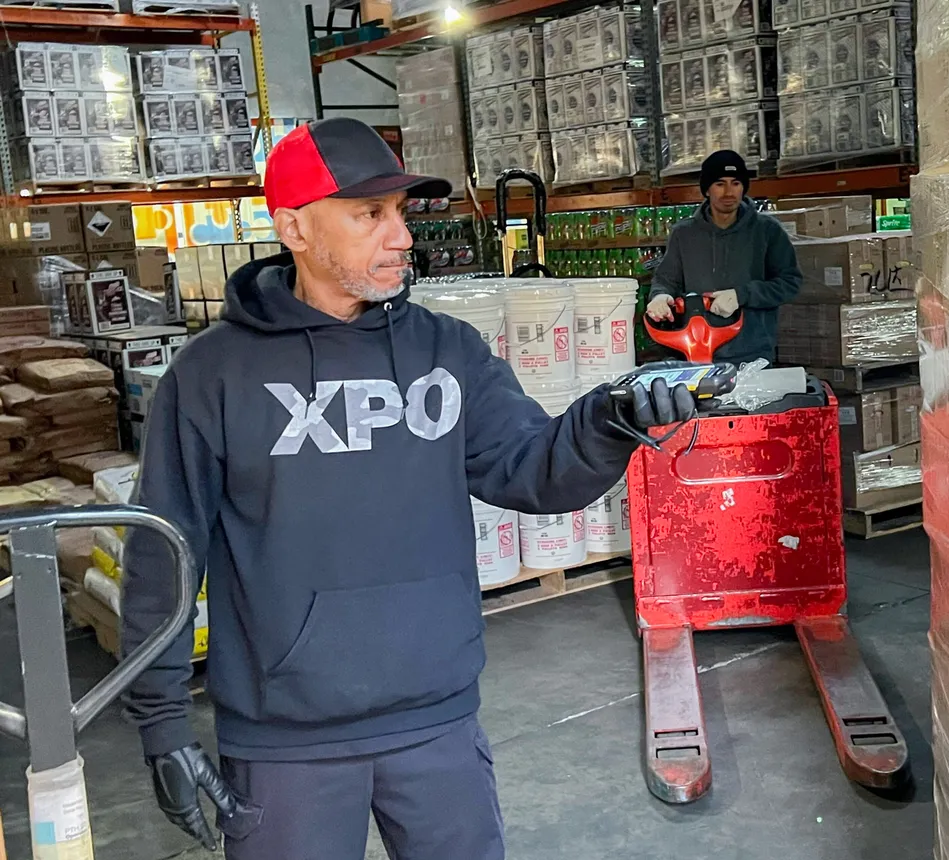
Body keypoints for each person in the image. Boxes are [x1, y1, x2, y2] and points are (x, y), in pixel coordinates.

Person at [120, 117, 695, 860]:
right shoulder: (211, 376)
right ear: (293, 226)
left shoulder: (446, 351)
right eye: (370, 215)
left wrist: (608, 420)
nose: (400, 237)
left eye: (400, 213)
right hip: (286, 742)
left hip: (437, 725)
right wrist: (160, 724)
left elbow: (531, 468)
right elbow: (164, 550)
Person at [645, 150, 801, 366]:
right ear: (707, 189)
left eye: (735, 183)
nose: (729, 192)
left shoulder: (767, 231)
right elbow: (666, 280)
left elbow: (789, 283)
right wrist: (660, 297)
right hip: (693, 352)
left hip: (752, 354)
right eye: (720, 184)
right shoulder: (683, 234)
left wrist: (742, 295)